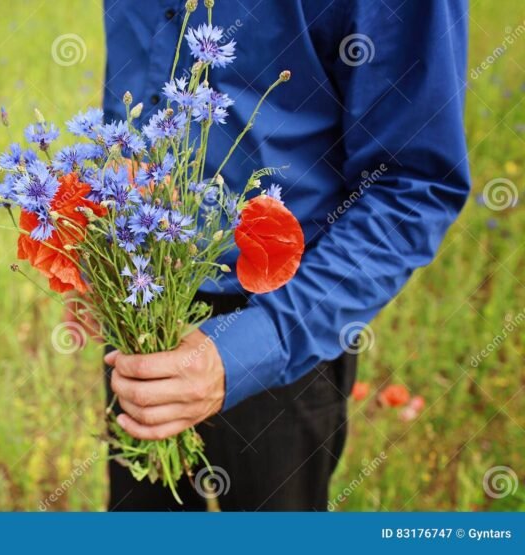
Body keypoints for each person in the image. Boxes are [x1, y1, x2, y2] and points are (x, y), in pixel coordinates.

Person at [92, 0, 470, 510]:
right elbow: (133, 85)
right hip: (135, 295)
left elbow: (415, 181)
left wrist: (257, 344)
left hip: (285, 323)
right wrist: (98, 248)